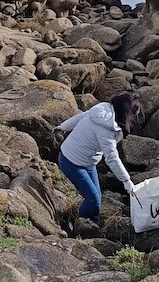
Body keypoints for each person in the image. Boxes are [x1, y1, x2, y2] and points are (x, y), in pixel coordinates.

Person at [56, 91, 145, 233]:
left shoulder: (102, 111)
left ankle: (93, 225)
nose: (134, 118)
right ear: (125, 112)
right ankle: (76, 225)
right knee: (93, 198)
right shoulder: (106, 129)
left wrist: (63, 126)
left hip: (88, 162)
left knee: (97, 197)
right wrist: (126, 181)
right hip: (71, 162)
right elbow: (111, 158)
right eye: (132, 114)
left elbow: (82, 116)